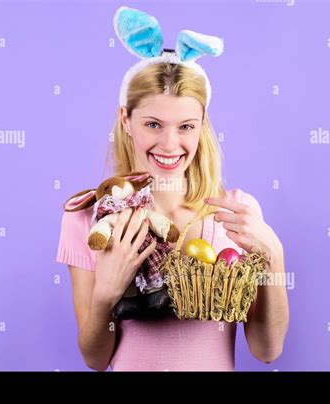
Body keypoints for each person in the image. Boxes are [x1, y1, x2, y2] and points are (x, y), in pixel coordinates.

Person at [56, 6, 289, 371]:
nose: (169, 144)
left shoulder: (236, 214)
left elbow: (266, 350)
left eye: (185, 126)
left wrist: (274, 254)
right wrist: (106, 294)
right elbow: (96, 358)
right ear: (126, 120)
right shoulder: (89, 217)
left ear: (202, 126)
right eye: (153, 123)